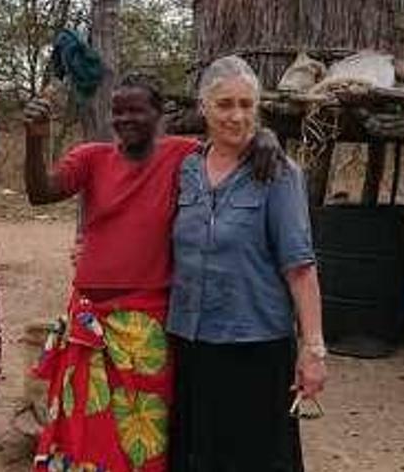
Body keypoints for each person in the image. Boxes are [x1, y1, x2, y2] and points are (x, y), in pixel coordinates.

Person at [23, 73, 282, 471]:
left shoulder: (181, 155)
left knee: (143, 435)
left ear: (159, 114)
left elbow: (233, 143)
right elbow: (41, 192)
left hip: (148, 324)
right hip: (90, 320)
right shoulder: (91, 158)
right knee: (84, 438)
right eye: (118, 111)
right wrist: (36, 137)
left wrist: (265, 137)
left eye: (136, 110)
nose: (125, 119)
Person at [167, 56, 326, 471]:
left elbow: (301, 268)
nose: (236, 116)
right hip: (190, 342)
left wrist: (313, 350)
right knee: (196, 455)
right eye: (224, 105)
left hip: (255, 347)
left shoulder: (277, 173)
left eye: (246, 104)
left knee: (254, 458)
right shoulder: (184, 168)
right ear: (203, 106)